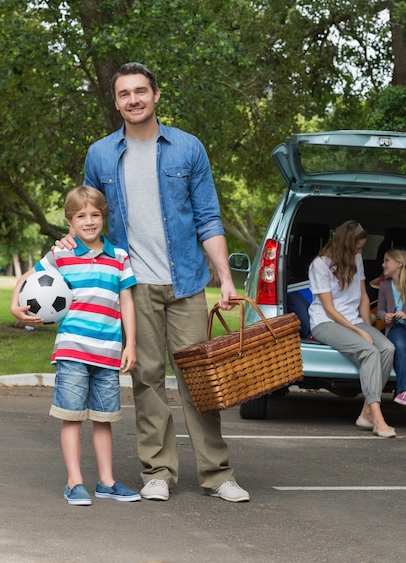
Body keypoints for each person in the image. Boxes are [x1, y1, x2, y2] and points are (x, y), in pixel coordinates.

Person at [57, 62, 249, 503]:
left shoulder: (188, 148)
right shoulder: (101, 154)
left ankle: (218, 475)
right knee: (146, 378)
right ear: (116, 101)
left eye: (141, 91)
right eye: (124, 94)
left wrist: (226, 278)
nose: (133, 100)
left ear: (156, 95)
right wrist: (69, 242)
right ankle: (157, 471)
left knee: (199, 379)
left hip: (186, 282)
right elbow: (90, 216)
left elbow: (207, 218)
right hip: (132, 285)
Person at [11, 186, 141, 505]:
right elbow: (28, 278)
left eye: (95, 214)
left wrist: (131, 344)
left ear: (103, 217)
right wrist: (16, 305)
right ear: (70, 221)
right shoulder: (61, 255)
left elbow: (126, 302)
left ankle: (107, 482)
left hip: (108, 353)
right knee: (72, 415)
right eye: (81, 216)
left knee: (103, 418)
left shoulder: (120, 257)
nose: (89, 221)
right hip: (72, 350)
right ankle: (74, 482)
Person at [308, 220, 396, 438]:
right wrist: (360, 332)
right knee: (369, 351)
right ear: (345, 245)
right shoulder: (319, 265)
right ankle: (377, 417)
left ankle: (366, 411)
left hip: (353, 319)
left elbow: (364, 297)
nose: (360, 252)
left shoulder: (355, 258)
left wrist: (367, 326)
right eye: (357, 248)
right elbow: (329, 309)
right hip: (325, 322)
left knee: (387, 348)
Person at [377, 248, 406, 407]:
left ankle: (404, 390)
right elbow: (380, 309)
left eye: (387, 261)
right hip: (396, 328)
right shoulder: (384, 287)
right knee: (399, 347)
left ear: (399, 264)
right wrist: (384, 316)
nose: (383, 264)